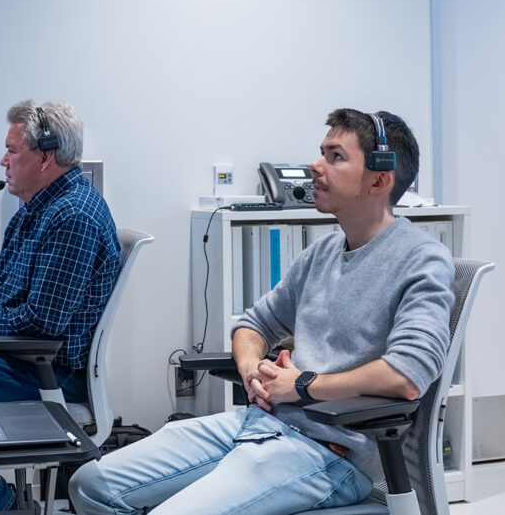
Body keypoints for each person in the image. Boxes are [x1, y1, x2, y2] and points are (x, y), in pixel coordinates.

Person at [69, 109, 453, 515]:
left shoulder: (422, 259)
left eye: (335, 156)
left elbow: (407, 376)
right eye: (321, 153)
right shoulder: (321, 253)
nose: (314, 166)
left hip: (332, 453)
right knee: (91, 484)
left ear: (379, 178)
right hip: (262, 425)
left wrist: (302, 384)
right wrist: (253, 370)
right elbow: (253, 325)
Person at [0, 98, 121, 405]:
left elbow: (41, 323)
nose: (3, 161)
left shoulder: (73, 216)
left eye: (12, 150)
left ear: (45, 156)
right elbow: (2, 292)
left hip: (48, 373)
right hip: (18, 358)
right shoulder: (34, 210)